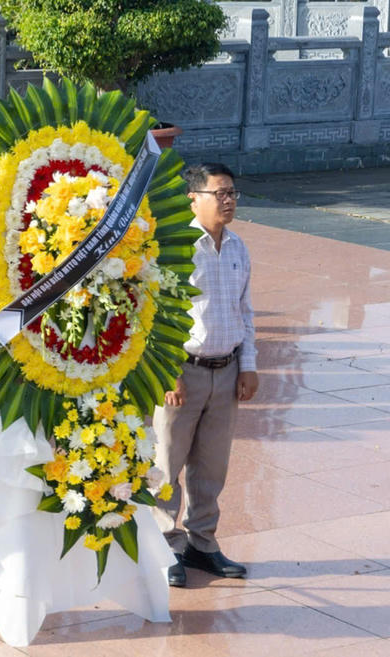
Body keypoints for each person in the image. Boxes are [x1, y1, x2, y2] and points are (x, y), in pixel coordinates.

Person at [157, 162, 258, 588]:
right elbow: (155, 315)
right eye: (220, 193)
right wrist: (166, 372)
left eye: (232, 192)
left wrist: (248, 364)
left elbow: (245, 311)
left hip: (227, 369)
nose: (229, 200)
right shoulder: (176, 248)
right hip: (184, 374)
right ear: (193, 198)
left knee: (211, 466)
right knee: (166, 466)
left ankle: (202, 543)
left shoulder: (237, 247)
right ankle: (163, 546)